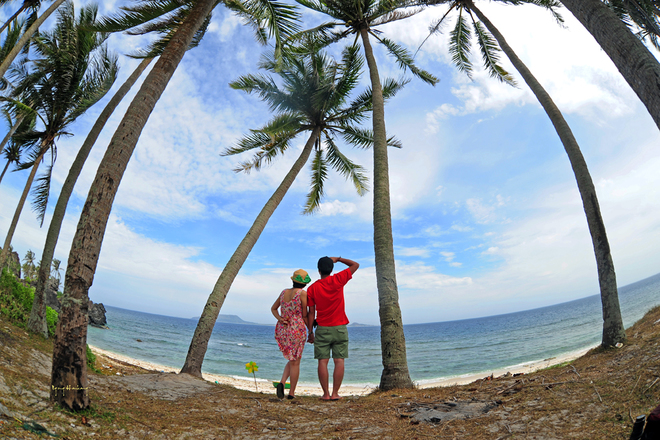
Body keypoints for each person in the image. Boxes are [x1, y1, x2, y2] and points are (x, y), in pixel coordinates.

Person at [306, 256, 359, 401]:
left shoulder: (312, 288)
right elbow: (355, 264)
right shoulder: (338, 279)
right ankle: (335, 393)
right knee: (339, 361)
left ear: (318, 270)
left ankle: (325, 394)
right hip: (340, 328)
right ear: (331, 269)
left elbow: (311, 313)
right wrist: (339, 259)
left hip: (322, 329)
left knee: (322, 361)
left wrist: (310, 332)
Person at [271, 269, 312, 400]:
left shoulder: (284, 292)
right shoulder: (302, 294)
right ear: (305, 283)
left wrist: (280, 318)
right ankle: (292, 393)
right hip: (297, 328)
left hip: (284, 328)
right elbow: (304, 315)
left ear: (293, 280)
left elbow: (273, 308)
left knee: (291, 358)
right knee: (296, 362)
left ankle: (282, 382)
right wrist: (311, 330)